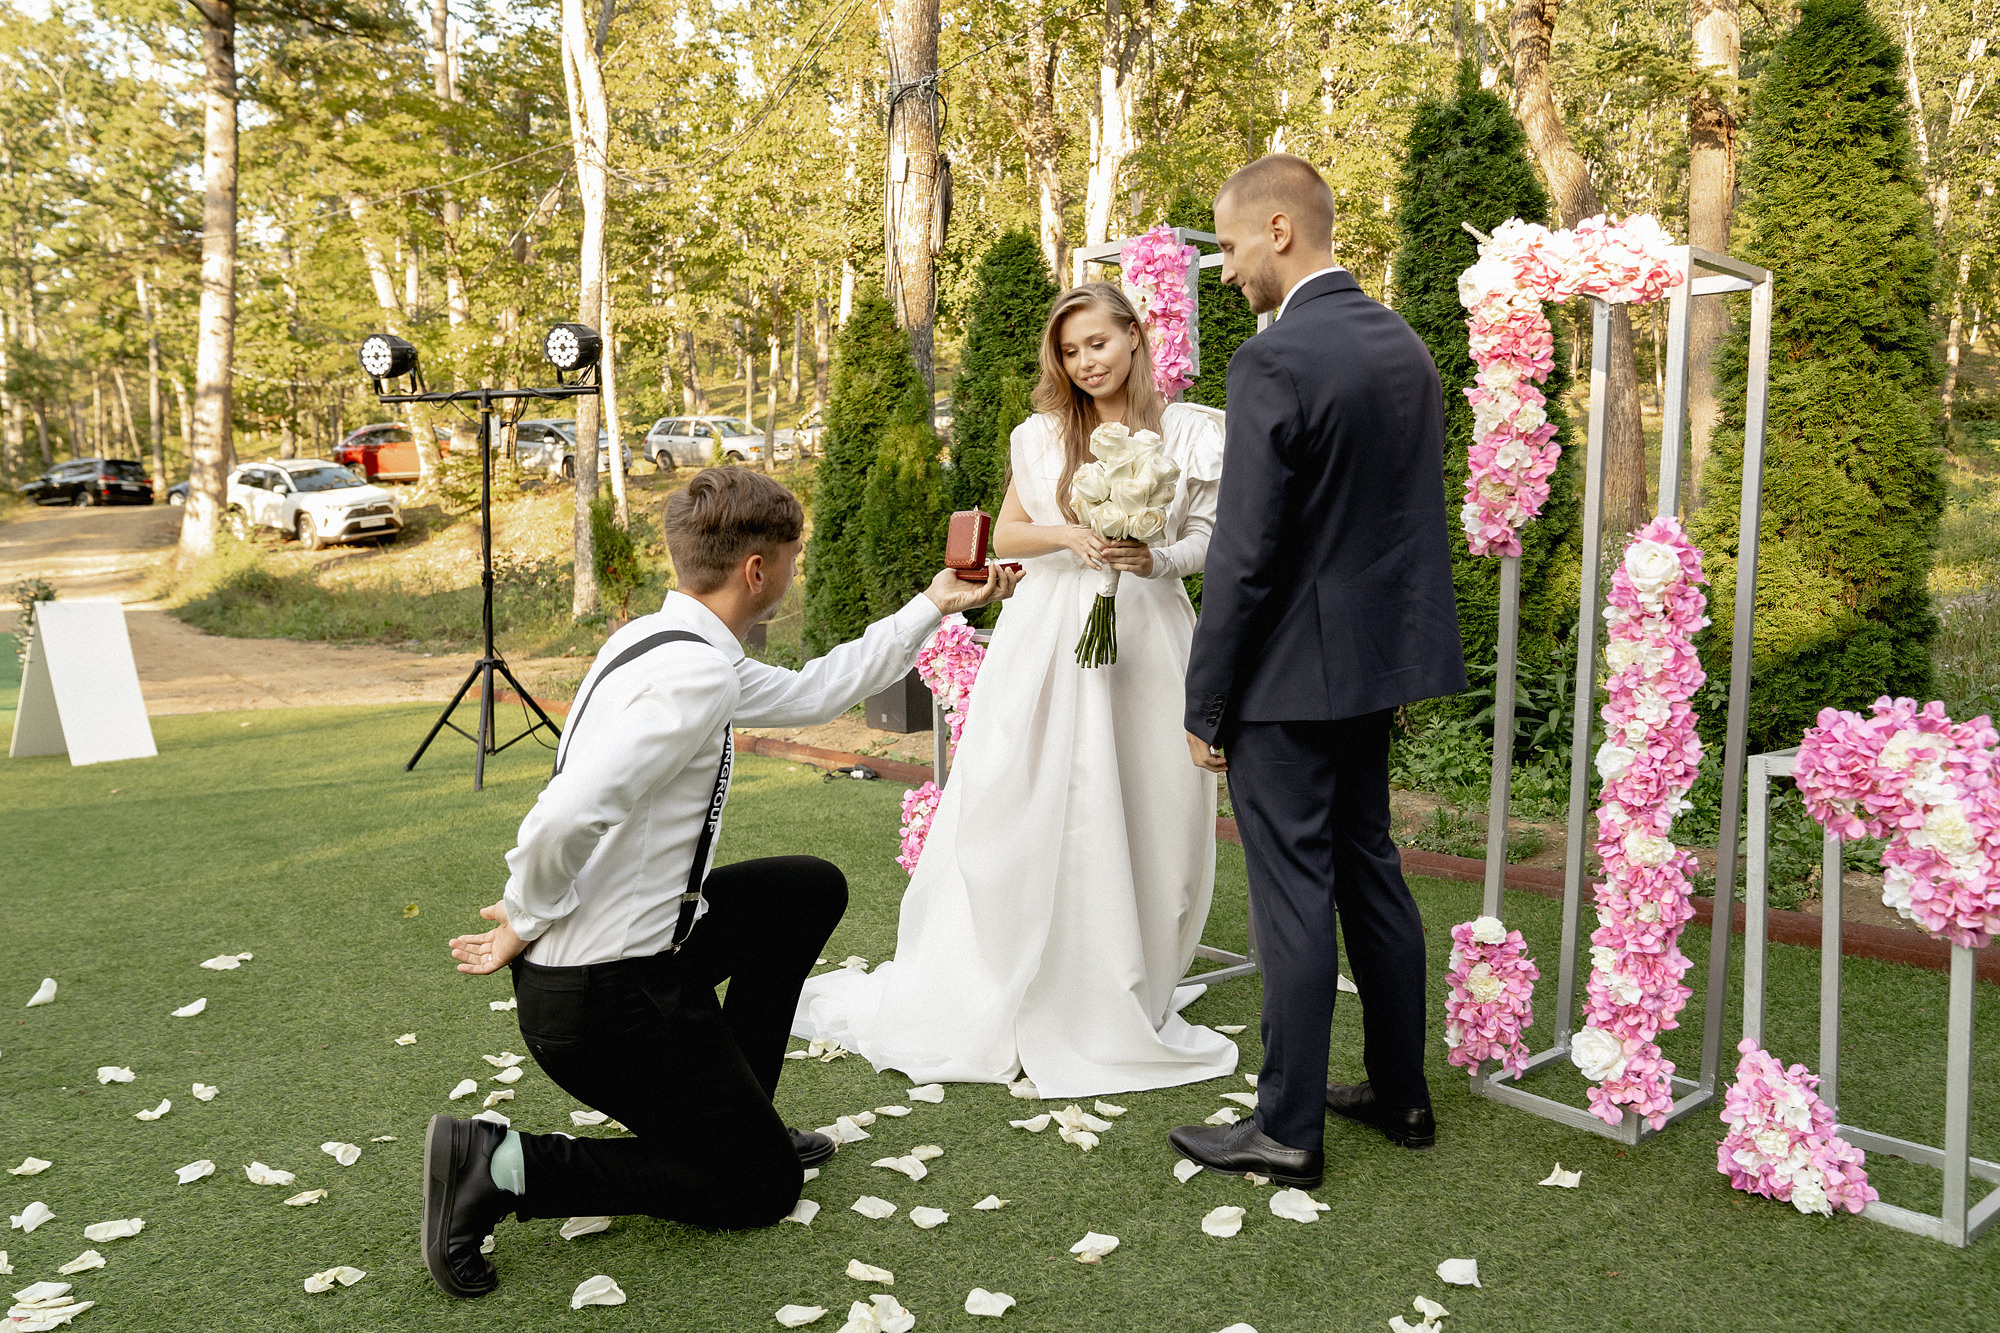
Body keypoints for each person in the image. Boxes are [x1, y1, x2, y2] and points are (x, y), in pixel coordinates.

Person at [421, 467, 1018, 1299]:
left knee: (803, 889)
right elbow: (563, 818)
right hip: (599, 1004)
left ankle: (743, 1116)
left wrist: (933, 603)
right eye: (793, 557)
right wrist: (526, 911)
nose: (793, 571)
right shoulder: (696, 674)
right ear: (756, 571)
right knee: (758, 1187)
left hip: (643, 959)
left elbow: (817, 691)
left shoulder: (664, 642)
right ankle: (503, 1163)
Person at [790, 282, 1236, 1098]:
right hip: (1052, 632)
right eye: (1069, 351)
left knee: (1155, 804)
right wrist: (1071, 532)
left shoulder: (1194, 431)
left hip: (1149, 629)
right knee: (1036, 801)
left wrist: (1155, 557)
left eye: (1098, 343)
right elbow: (1009, 531)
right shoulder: (1042, 434)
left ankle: (1132, 982)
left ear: (1134, 336)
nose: (1085, 362)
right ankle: (1035, 985)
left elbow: (1211, 536)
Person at [1167, 155, 1467, 1190]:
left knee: (1292, 892)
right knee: (1368, 868)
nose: (1226, 267)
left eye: (1232, 242)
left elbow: (1244, 551)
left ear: (1281, 229)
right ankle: (1401, 1091)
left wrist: (1204, 698)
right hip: (1372, 668)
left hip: (1286, 678)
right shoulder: (1404, 345)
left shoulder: (1275, 359)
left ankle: (1285, 1128)